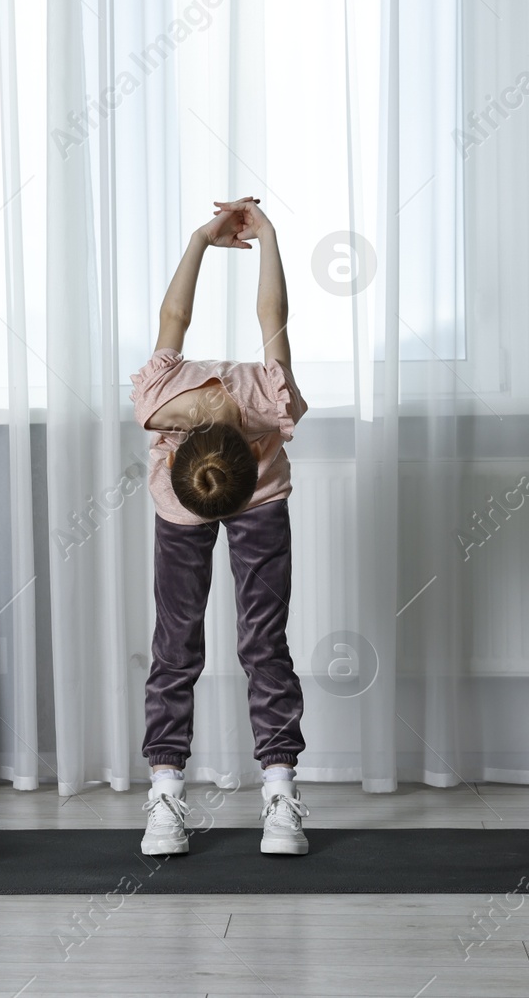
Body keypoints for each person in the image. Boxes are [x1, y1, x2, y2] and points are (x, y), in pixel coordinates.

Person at [129, 196, 310, 856]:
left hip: (261, 501)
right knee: (176, 647)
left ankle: (280, 791)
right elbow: (273, 316)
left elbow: (174, 316)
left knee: (263, 643)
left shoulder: (262, 402)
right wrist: (261, 240)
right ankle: (166, 793)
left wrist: (206, 240)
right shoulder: (165, 404)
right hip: (186, 508)